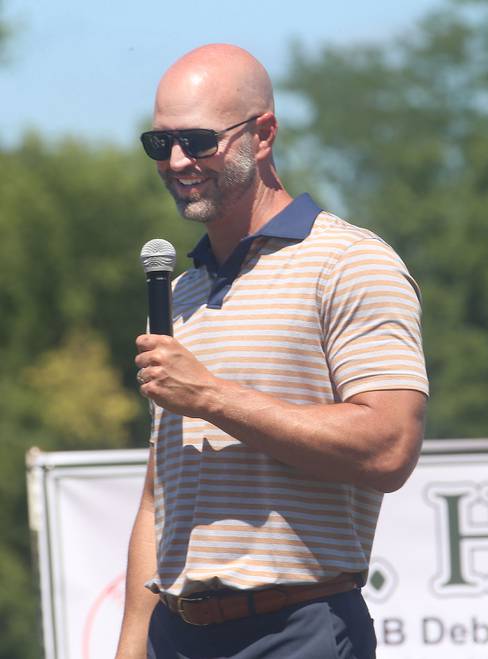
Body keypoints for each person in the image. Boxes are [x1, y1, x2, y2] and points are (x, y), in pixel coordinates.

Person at [115, 43, 428, 659]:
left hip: (295, 629)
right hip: (173, 636)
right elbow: (160, 497)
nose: (177, 161)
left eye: (199, 140)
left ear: (263, 135)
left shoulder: (349, 263)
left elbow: (390, 446)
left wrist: (208, 396)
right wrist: (131, 645)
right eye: (160, 144)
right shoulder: (180, 293)